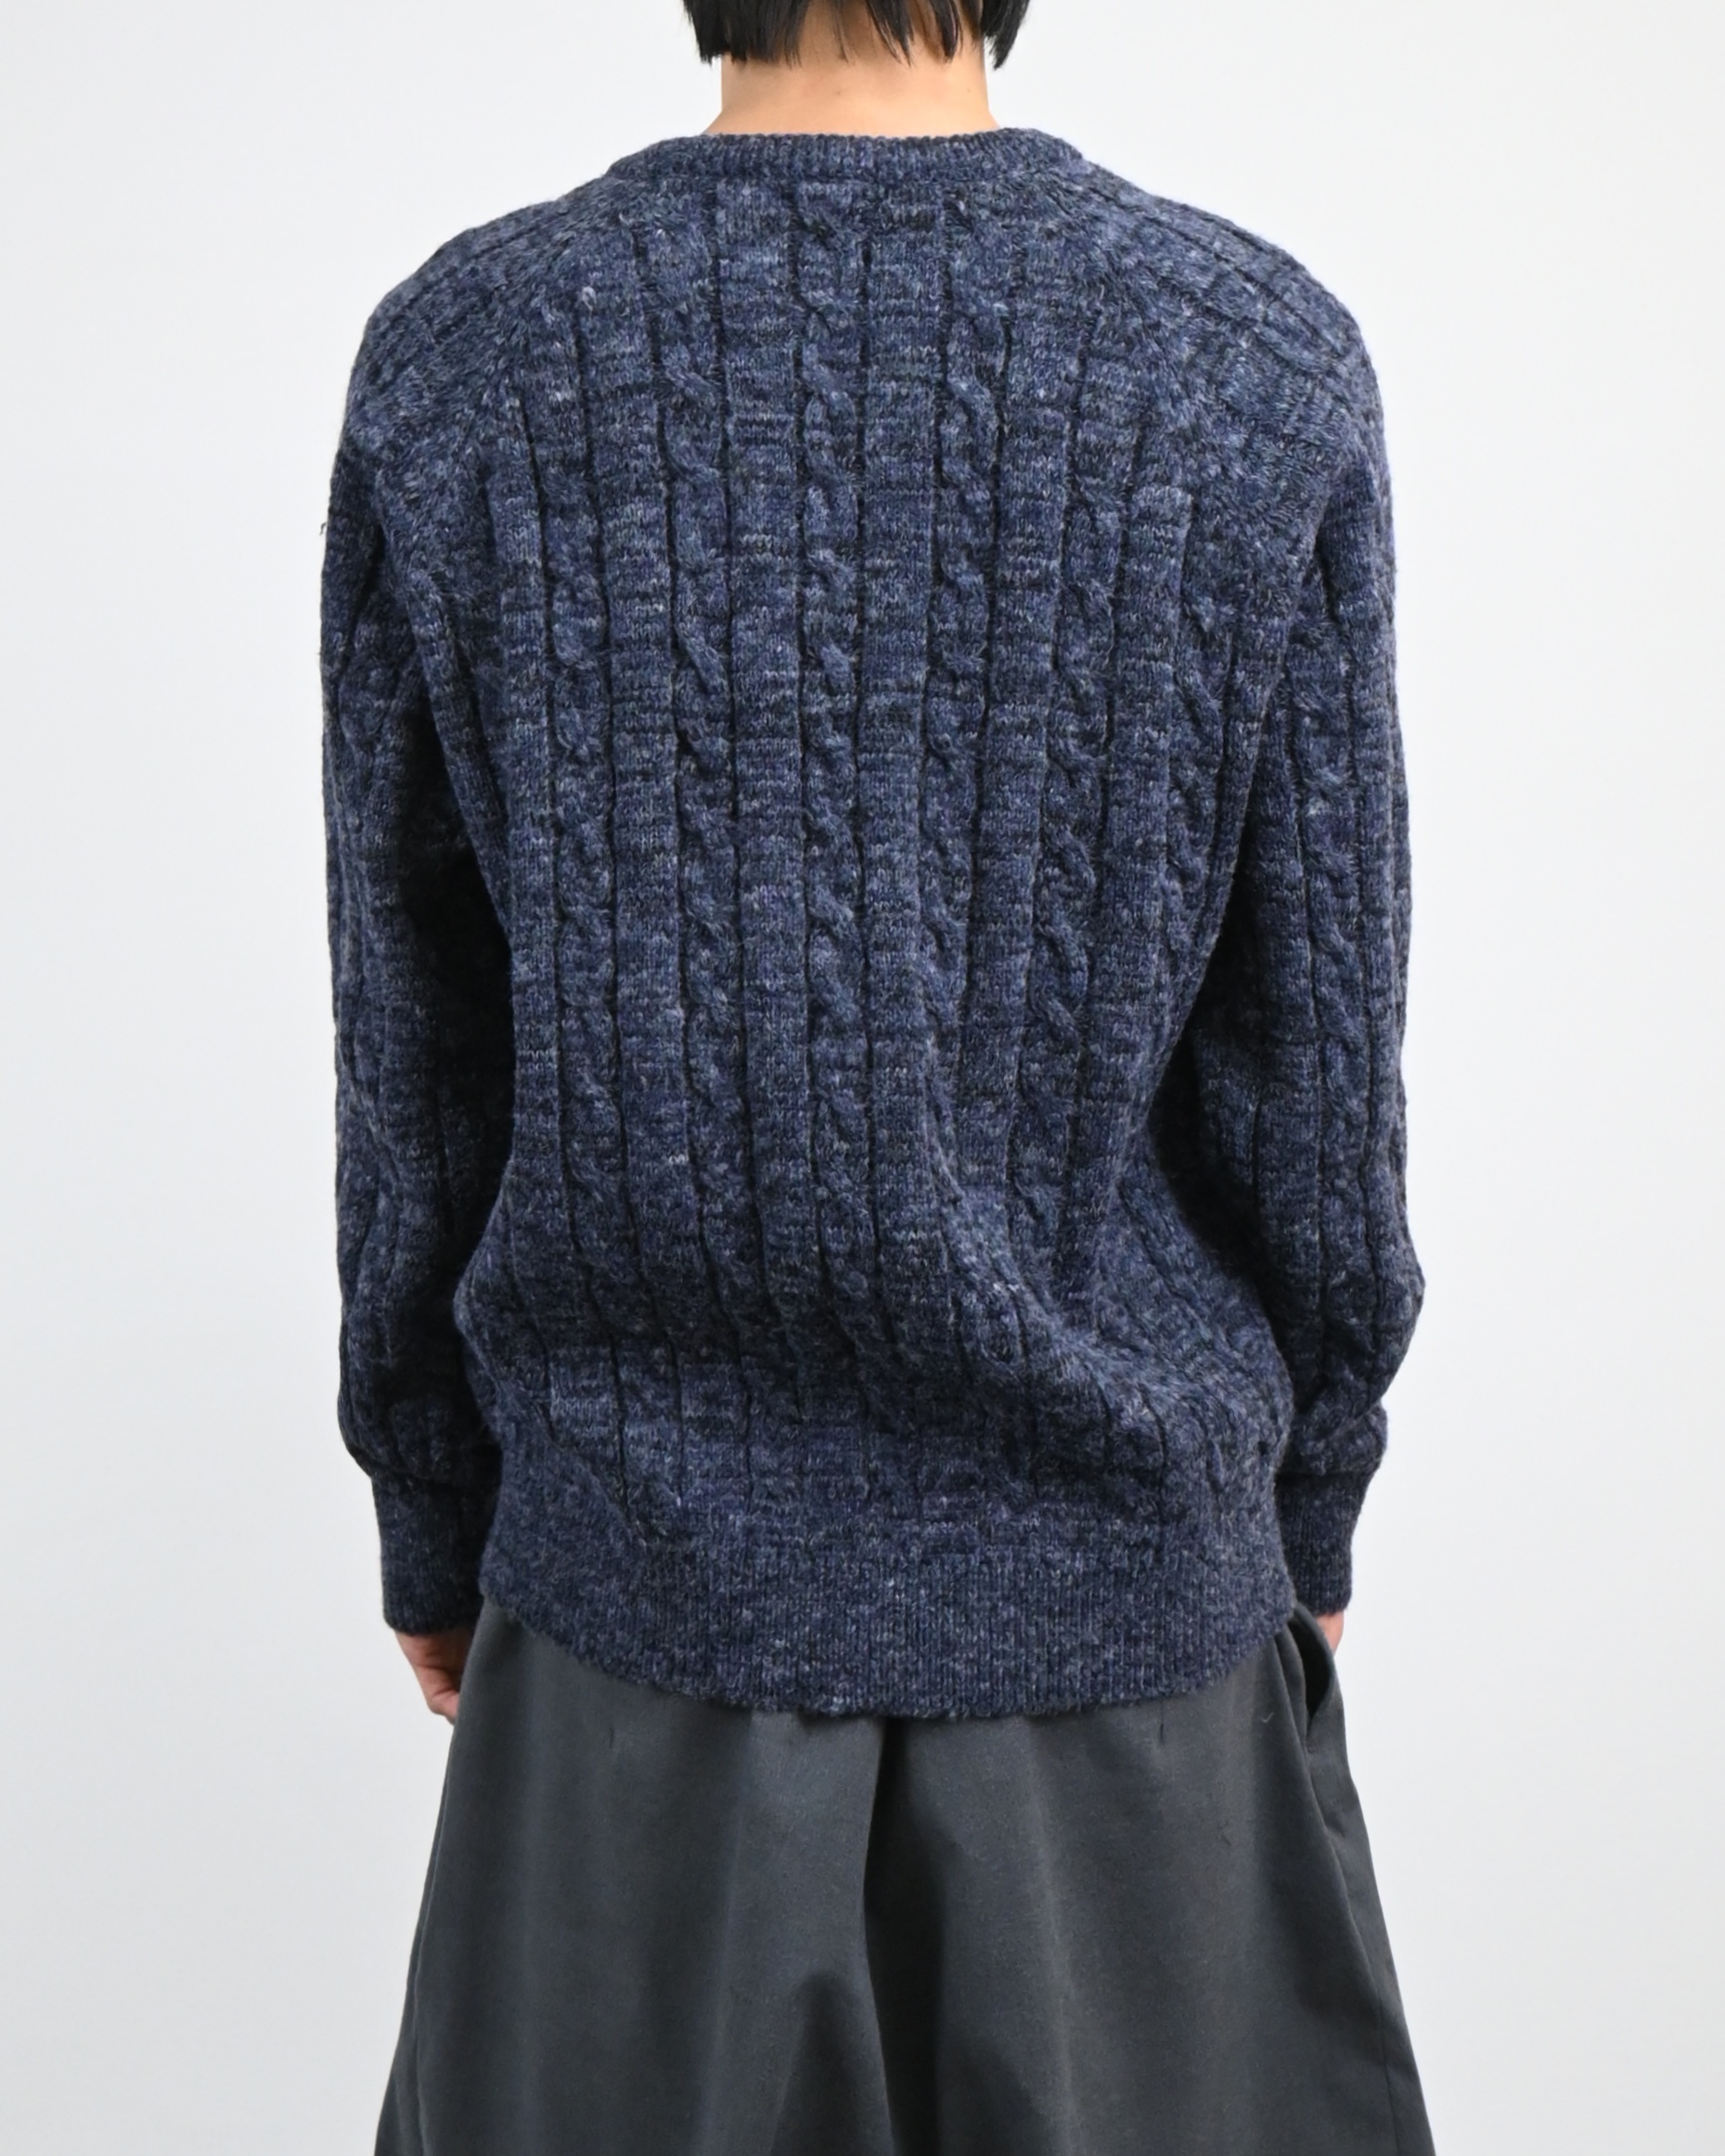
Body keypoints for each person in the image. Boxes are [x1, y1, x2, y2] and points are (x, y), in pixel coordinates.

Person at [319, 2, 1435, 2149]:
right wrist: (1312, 1491)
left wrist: (432, 1506)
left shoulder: (469, 359)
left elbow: (416, 1039)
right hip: (1131, 1679)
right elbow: (1319, 1042)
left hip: (635, 1657)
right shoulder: (1251, 359)